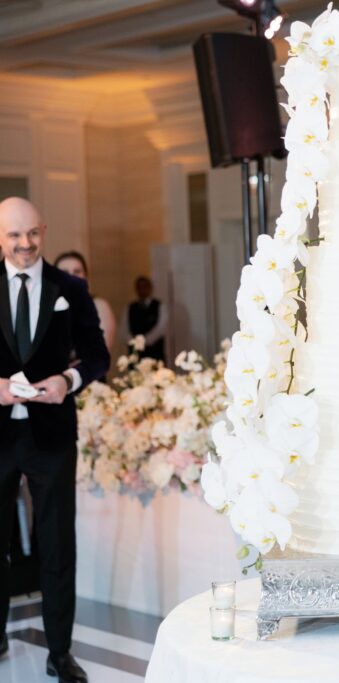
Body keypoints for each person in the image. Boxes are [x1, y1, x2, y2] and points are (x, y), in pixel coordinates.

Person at [0, 197, 109, 683]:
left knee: (58, 545)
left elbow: (97, 356)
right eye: (13, 236)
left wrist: (69, 380)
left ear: (43, 230)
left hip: (52, 437)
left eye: (32, 234)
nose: (25, 245)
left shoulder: (71, 288)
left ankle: (59, 653)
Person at [54, 251, 117, 358]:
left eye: (77, 271)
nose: (71, 276)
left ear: (86, 277)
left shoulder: (99, 306)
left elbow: (99, 355)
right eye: (64, 272)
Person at [120, 275, 167, 362]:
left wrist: (144, 341)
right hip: (136, 354)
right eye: (139, 287)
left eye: (144, 287)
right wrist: (133, 341)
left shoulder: (159, 306)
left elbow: (161, 328)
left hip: (154, 352)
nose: (142, 290)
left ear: (150, 288)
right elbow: (124, 329)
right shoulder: (130, 307)